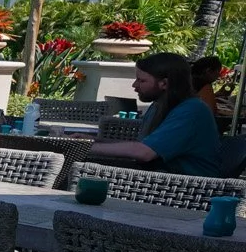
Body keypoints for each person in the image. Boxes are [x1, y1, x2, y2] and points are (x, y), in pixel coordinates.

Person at [88, 51, 223, 176]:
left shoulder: (192, 111)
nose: (134, 85)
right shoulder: (160, 105)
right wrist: (91, 141)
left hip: (185, 186)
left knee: (83, 164)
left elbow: (144, 153)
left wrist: (84, 148)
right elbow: (143, 145)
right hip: (159, 175)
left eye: (142, 80)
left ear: (164, 83)